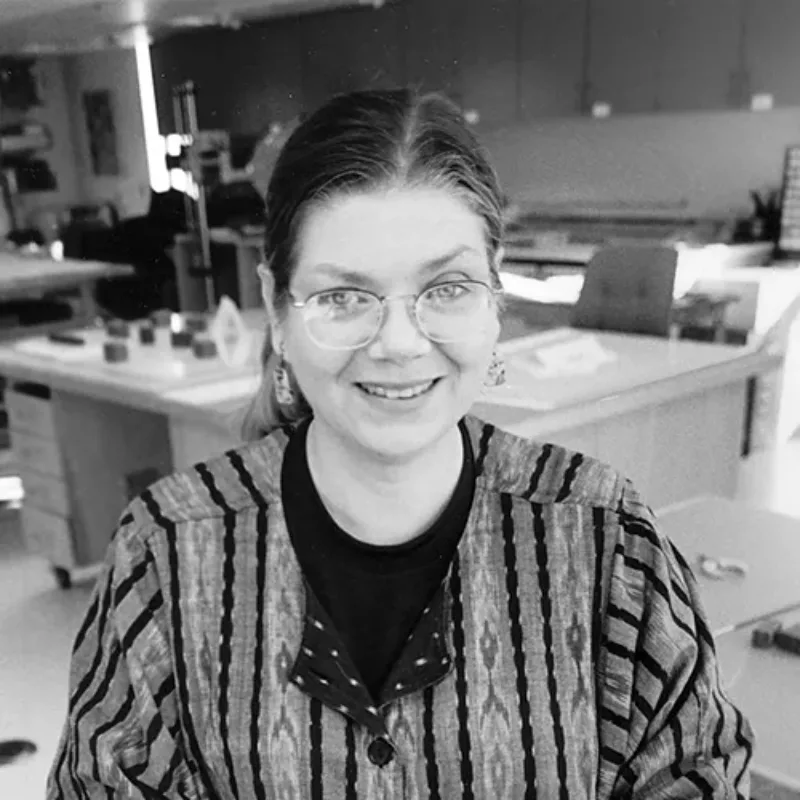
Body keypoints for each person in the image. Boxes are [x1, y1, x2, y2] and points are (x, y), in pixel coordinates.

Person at [47, 88, 753, 798]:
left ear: (495, 299)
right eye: (344, 297)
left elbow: (697, 775)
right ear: (277, 309)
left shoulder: (604, 540)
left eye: (446, 287)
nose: (398, 345)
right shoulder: (167, 556)